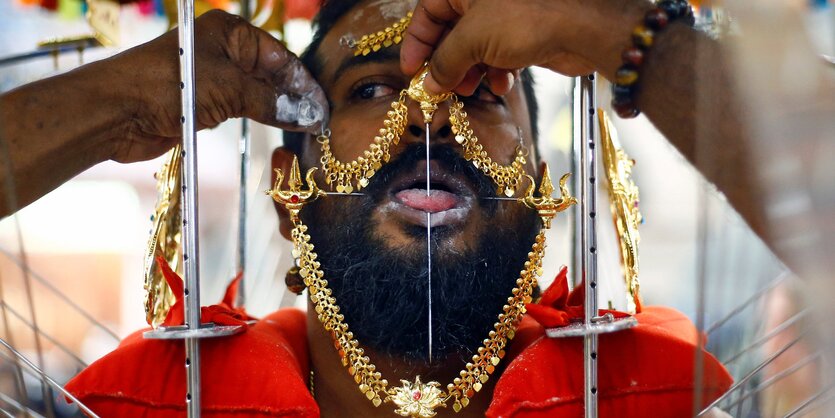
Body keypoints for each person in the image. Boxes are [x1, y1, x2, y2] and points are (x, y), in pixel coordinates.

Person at [2, 0, 739, 416]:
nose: (426, 115)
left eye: (479, 93)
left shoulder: (673, 400)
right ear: (288, 191)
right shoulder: (134, 407)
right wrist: (107, 103)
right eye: (372, 90)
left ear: (540, 187)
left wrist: (616, 38)